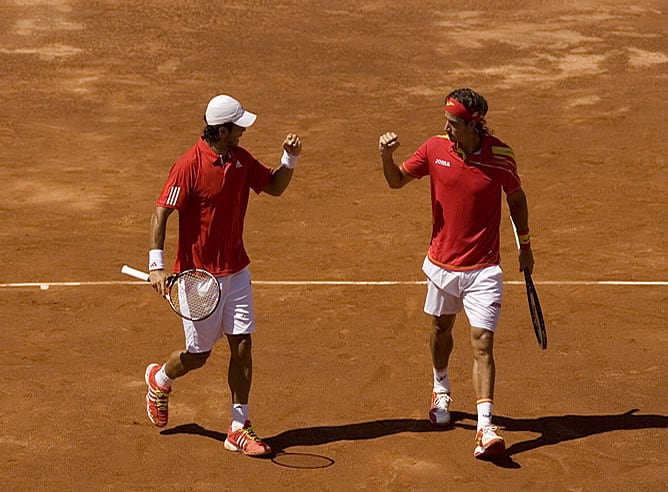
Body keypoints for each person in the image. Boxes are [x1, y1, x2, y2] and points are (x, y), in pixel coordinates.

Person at [378, 88, 534, 460]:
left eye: (453, 125)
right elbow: (396, 180)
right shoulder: (434, 148)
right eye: (446, 123)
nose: (446, 129)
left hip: (484, 270)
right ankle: (441, 387)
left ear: (473, 125)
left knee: (482, 343)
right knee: (440, 330)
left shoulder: (500, 156)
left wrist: (525, 247)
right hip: (442, 266)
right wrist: (386, 157)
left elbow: (516, 199)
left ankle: (484, 426)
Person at [143, 94, 302, 457]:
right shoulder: (188, 165)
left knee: (242, 346)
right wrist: (157, 264)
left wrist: (289, 158)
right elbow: (161, 212)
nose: (244, 131)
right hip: (198, 278)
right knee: (198, 356)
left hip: (237, 272)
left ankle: (238, 427)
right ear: (223, 130)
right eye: (239, 126)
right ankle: (160, 379)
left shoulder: (241, 161)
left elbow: (274, 186)